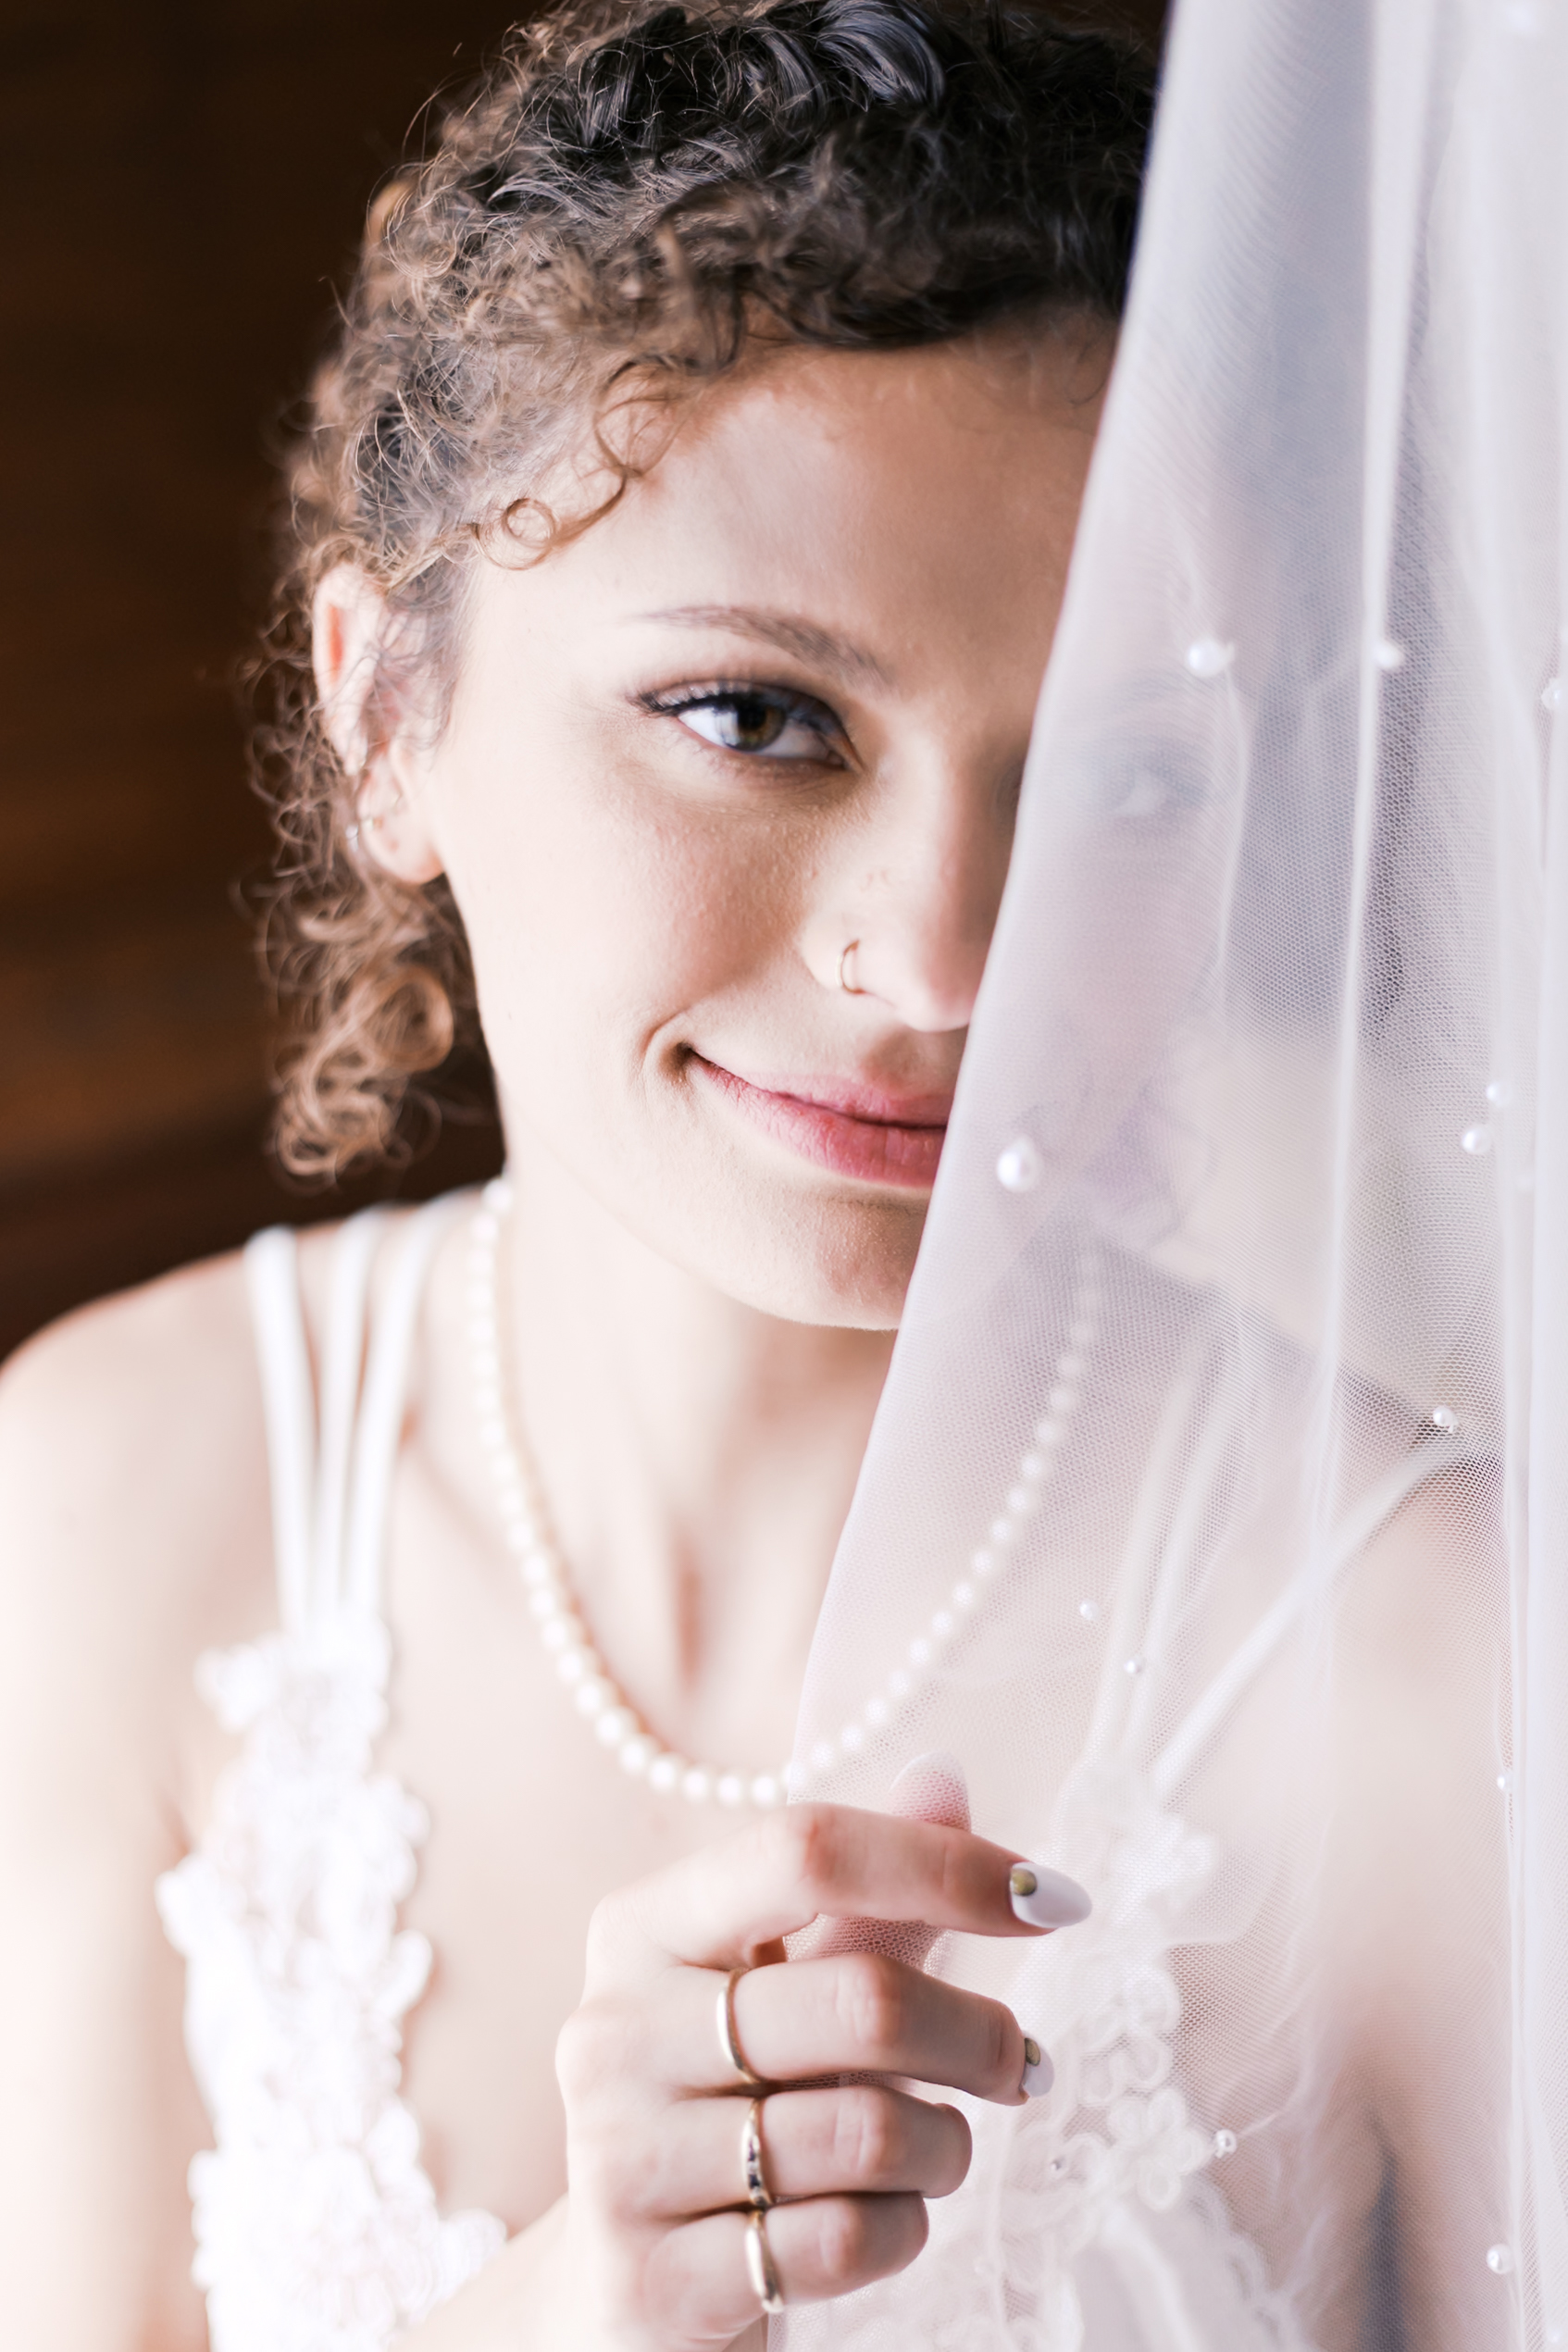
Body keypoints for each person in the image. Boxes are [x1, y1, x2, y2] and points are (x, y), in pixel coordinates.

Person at [0, 6, 1155, 2346]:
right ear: (384, 714)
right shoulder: (109, 1504)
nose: (940, 959)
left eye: (1112, 769)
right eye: (756, 717)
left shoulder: (1437, 1634)